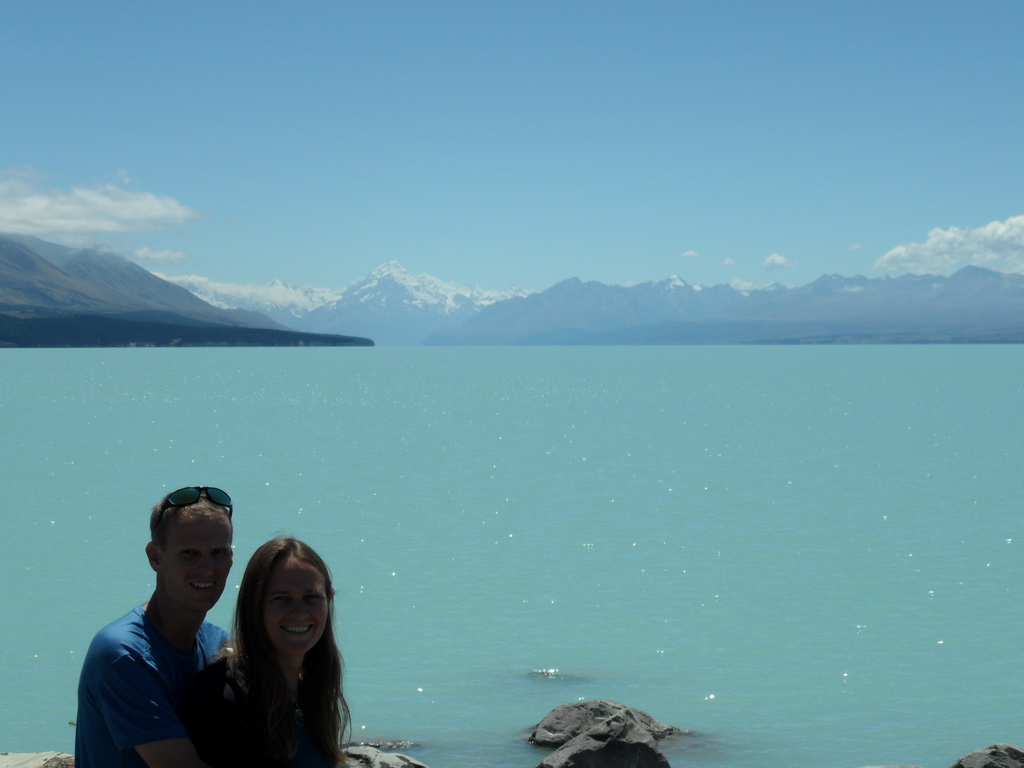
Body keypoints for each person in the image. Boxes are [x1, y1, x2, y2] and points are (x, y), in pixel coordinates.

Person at [75, 486, 235, 768]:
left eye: (218, 552)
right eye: (190, 553)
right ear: (155, 557)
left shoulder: (217, 643)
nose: (208, 567)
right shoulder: (122, 655)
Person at [182, 537, 351, 767]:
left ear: (328, 600)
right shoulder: (222, 696)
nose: (299, 612)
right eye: (282, 599)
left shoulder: (314, 686)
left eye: (311, 597)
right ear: (254, 605)